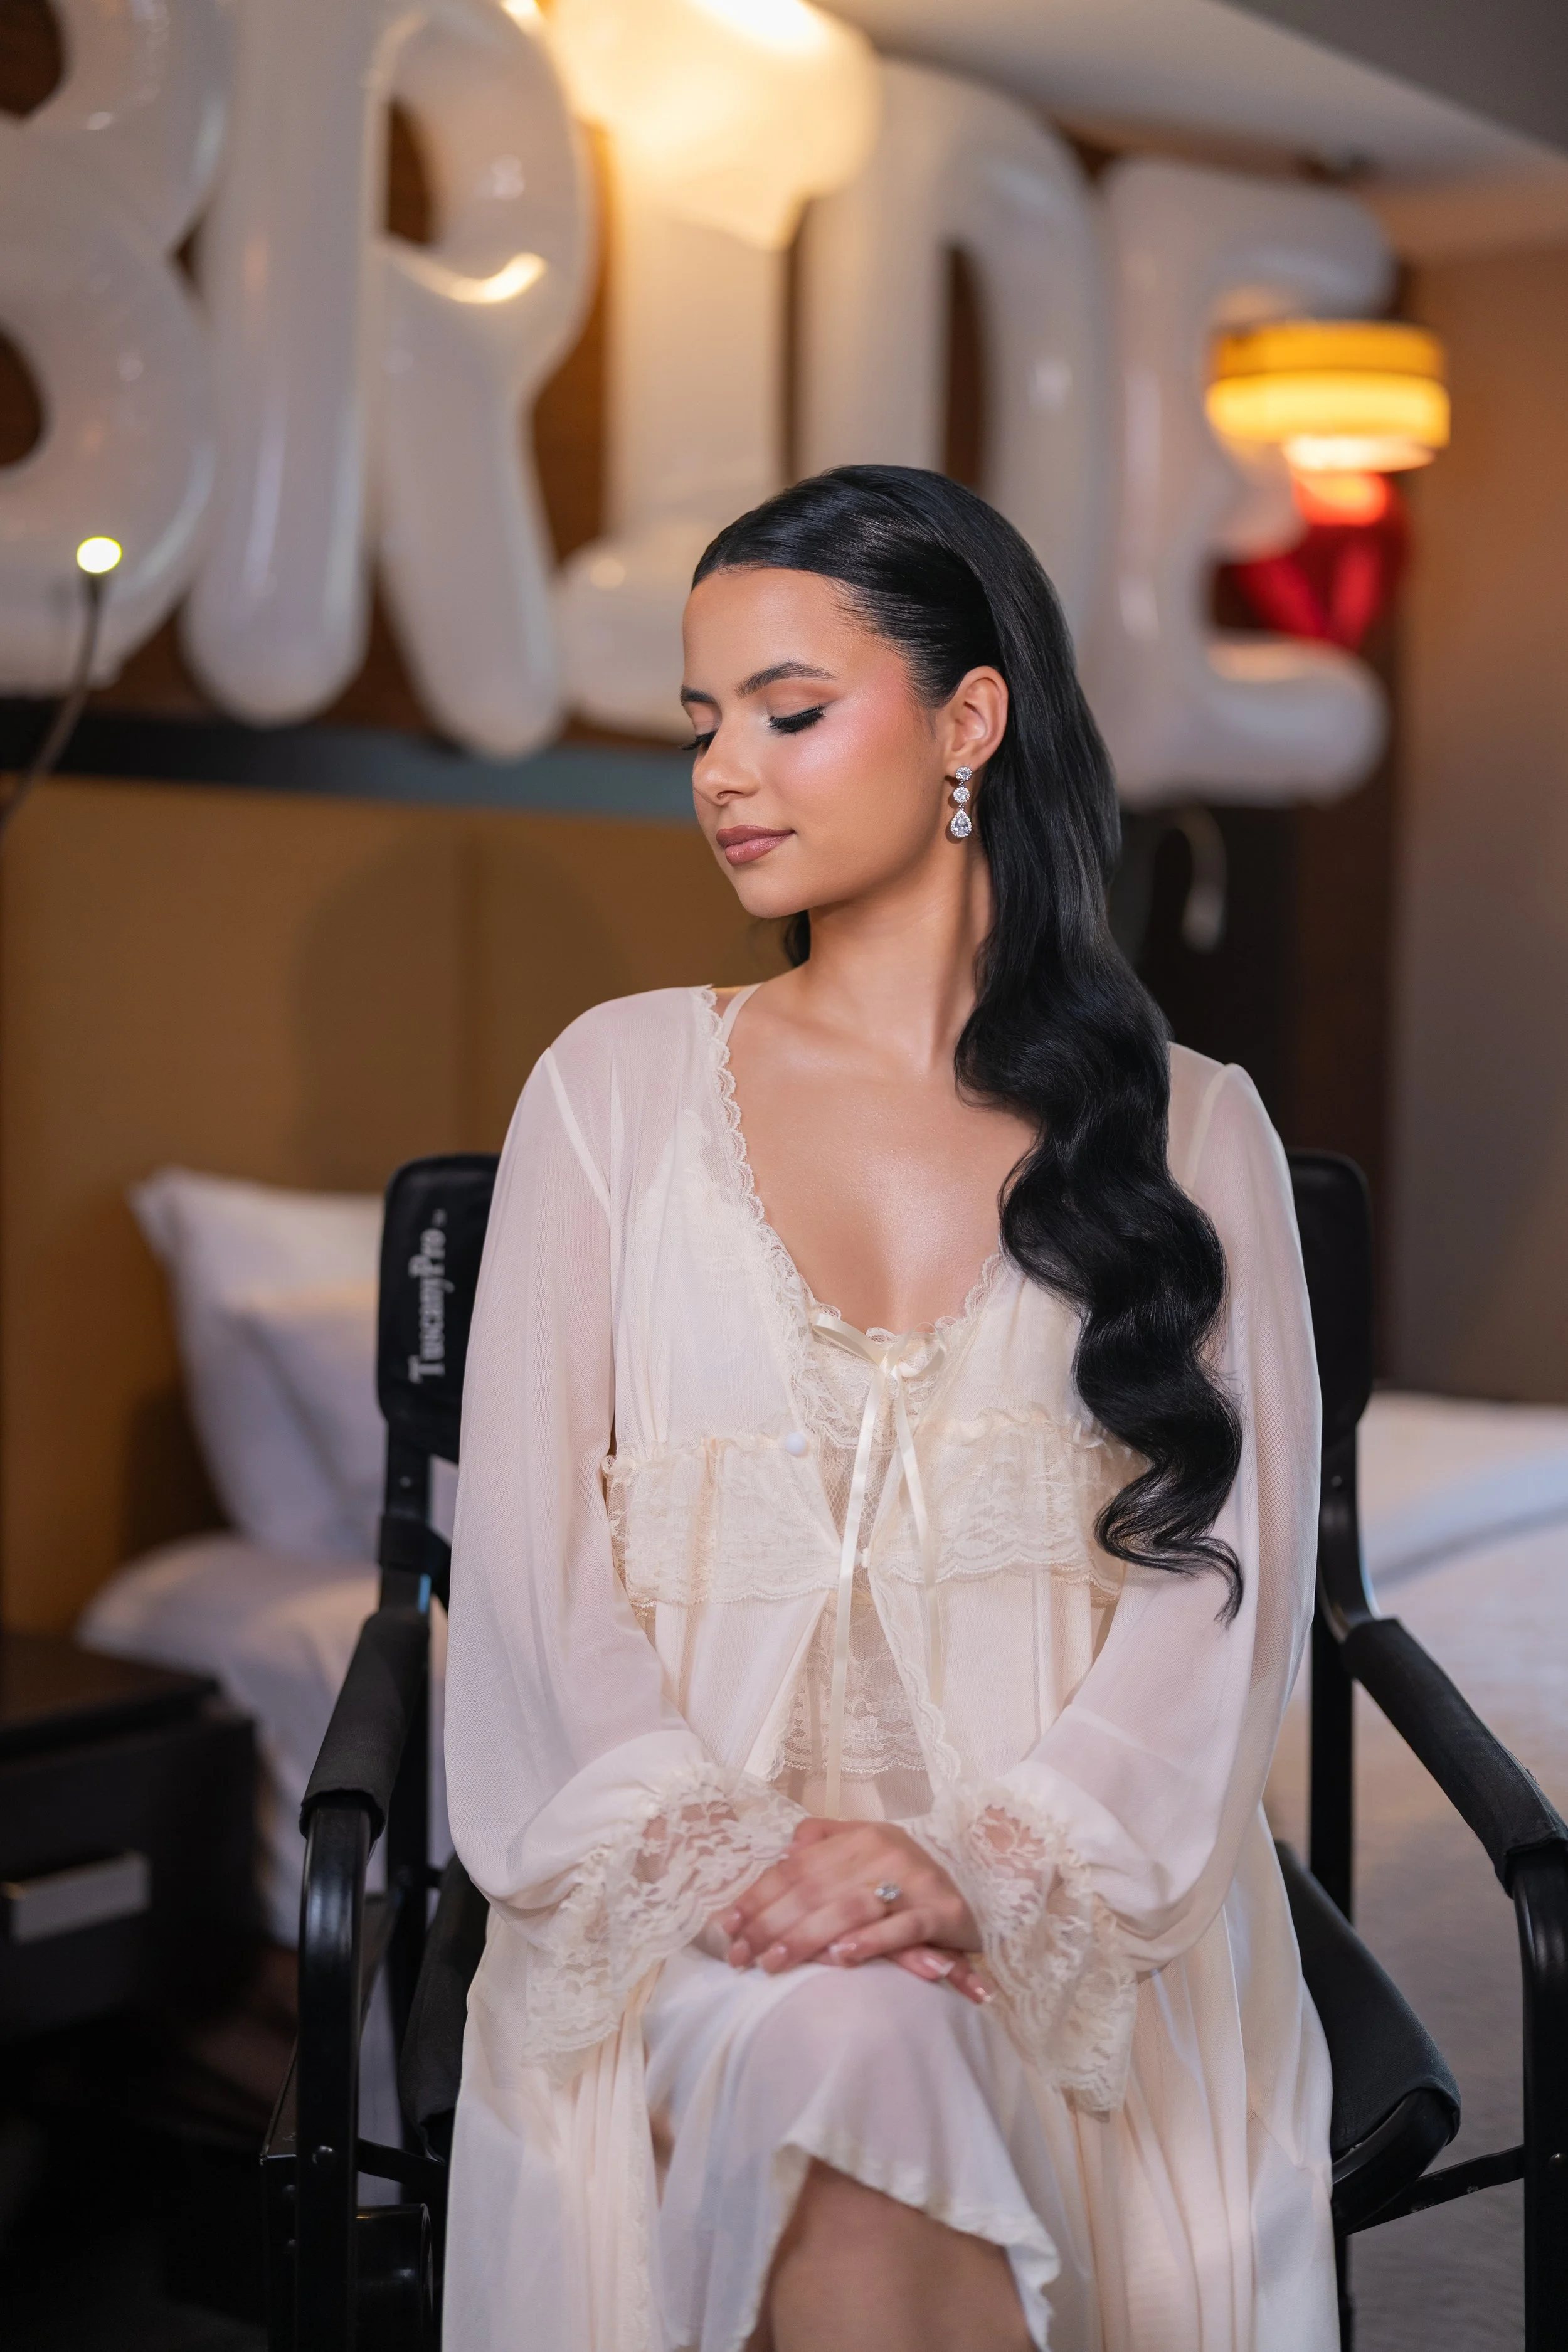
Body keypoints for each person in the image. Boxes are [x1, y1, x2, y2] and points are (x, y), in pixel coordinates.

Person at [442, 466, 1333, 2352]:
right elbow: (527, 1578)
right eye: (701, 724)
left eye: (787, 710)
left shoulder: (1189, 1129)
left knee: (880, 2042)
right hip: (686, 1912)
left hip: (1080, 1921)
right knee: (851, 2035)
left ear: (968, 718)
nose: (722, 775)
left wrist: (983, 1873)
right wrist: (737, 1862)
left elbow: (1218, 1595)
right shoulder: (609, 1093)